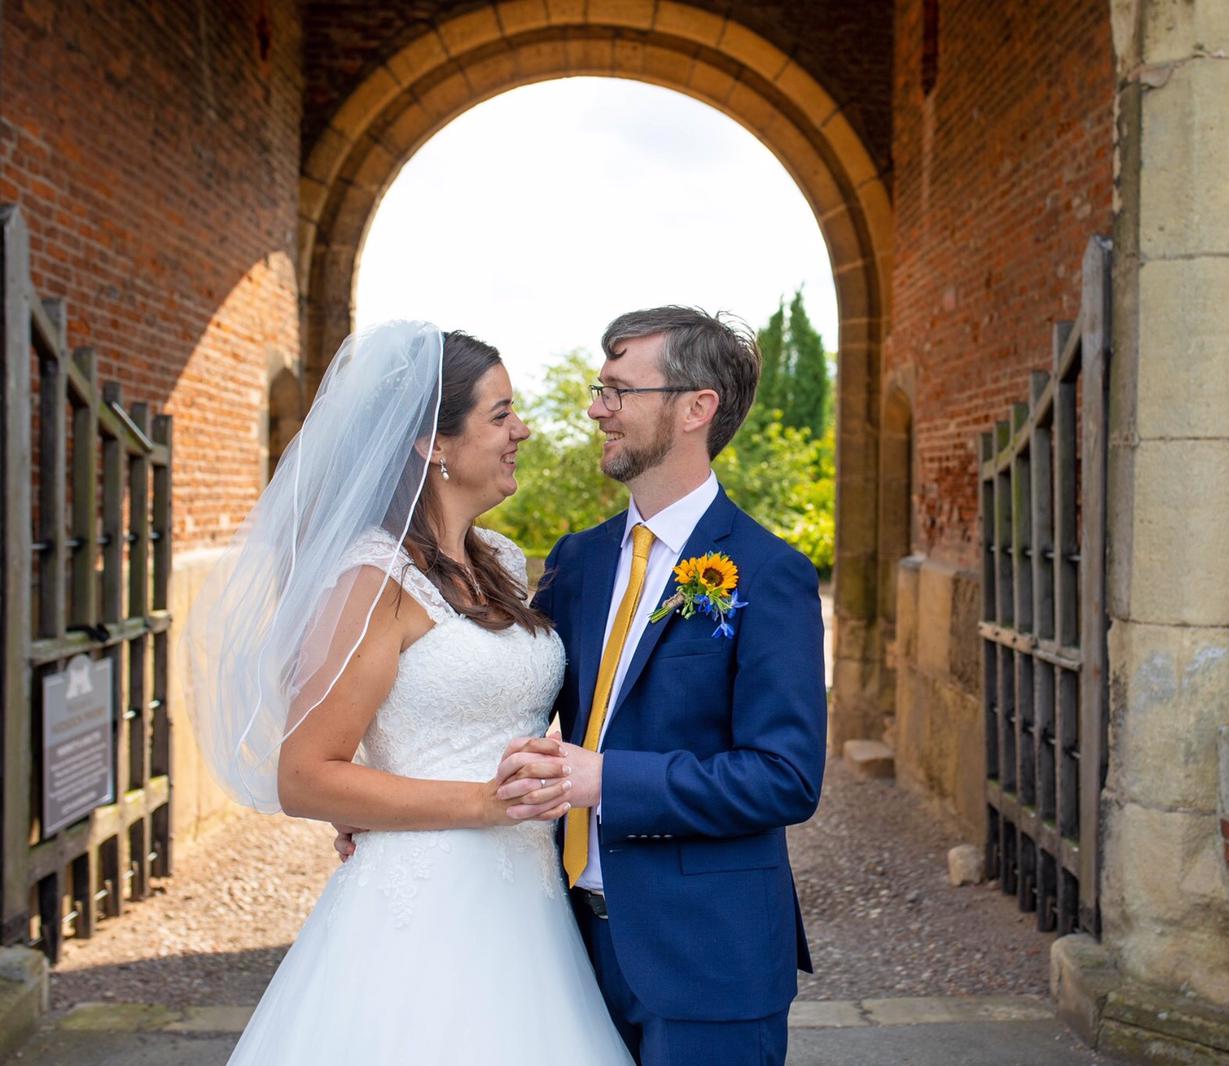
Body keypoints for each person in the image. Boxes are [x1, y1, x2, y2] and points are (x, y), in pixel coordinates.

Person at [187, 321, 631, 1064]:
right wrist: (481, 803)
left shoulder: (500, 561)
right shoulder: (374, 580)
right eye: (500, 414)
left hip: (528, 901)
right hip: (422, 905)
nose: (522, 431)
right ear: (432, 443)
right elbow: (305, 775)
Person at [488, 306, 828, 1065]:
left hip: (710, 957)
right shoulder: (576, 562)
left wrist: (607, 779)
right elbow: (504, 702)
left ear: (696, 407)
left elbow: (785, 777)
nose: (596, 410)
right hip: (563, 950)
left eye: (618, 391)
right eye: (599, 389)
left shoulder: (770, 574)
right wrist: (392, 804)